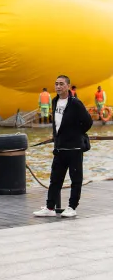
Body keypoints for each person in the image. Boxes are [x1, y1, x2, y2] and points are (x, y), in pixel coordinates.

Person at [33, 75, 92, 218]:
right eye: (56, 84)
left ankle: (72, 207)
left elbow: (88, 122)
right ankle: (50, 207)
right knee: (55, 179)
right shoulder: (54, 101)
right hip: (60, 148)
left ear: (68, 86)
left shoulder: (75, 103)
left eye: (61, 84)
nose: (58, 86)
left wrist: (75, 133)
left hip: (74, 148)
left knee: (75, 179)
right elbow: (56, 124)